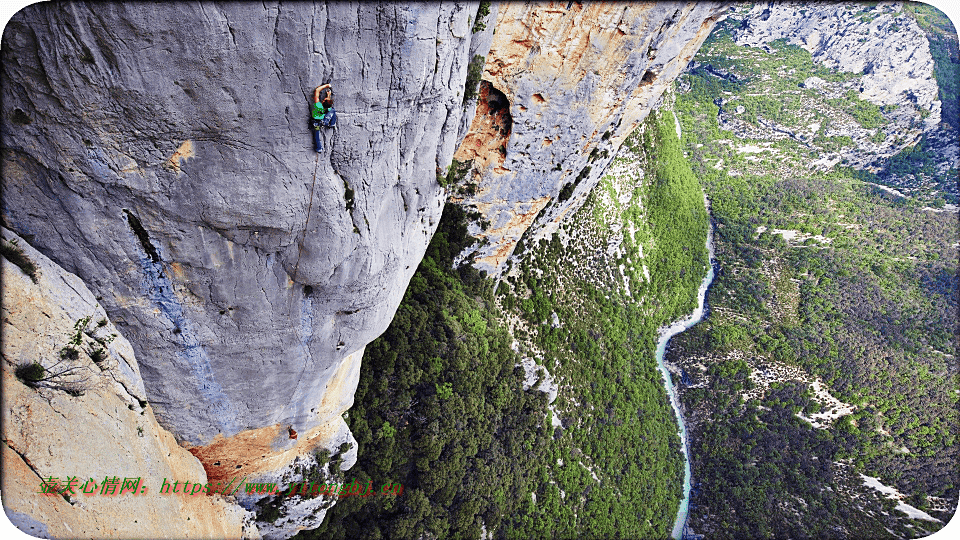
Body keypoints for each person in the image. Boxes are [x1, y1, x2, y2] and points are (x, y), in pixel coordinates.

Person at [311, 83, 337, 152]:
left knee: (316, 135)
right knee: (333, 110)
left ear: (323, 101)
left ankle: (319, 148)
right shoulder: (328, 108)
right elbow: (328, 104)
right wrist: (328, 95)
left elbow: (317, 91)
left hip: (315, 123)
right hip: (324, 122)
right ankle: (332, 123)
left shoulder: (318, 106)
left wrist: (326, 86)